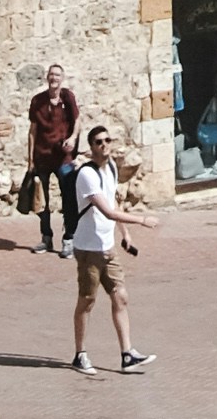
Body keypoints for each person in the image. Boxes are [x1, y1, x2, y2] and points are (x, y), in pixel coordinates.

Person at [64, 127, 146, 372]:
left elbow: (113, 204)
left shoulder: (110, 168)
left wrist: (125, 234)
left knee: (120, 296)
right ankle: (80, 354)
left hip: (107, 247)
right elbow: (106, 211)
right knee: (87, 302)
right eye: (99, 142)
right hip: (88, 249)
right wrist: (142, 221)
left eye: (107, 140)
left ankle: (127, 354)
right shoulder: (86, 175)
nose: (104, 145)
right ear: (91, 147)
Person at [21, 63, 79, 252]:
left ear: (62, 78)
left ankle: (69, 238)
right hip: (42, 157)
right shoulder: (38, 101)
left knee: (69, 197)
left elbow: (77, 121)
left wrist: (72, 138)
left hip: (63, 158)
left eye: (57, 75)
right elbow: (33, 131)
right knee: (41, 199)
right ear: (47, 78)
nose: (54, 78)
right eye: (51, 75)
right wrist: (30, 160)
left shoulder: (68, 98)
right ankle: (46, 237)